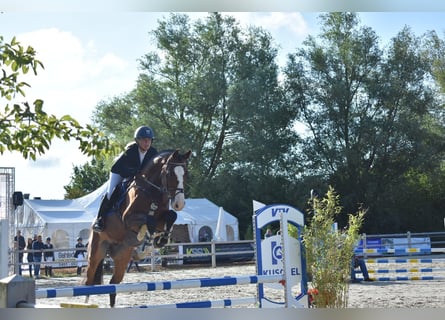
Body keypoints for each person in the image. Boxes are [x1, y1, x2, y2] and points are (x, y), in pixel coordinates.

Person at [93, 125, 158, 232]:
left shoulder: (153, 153)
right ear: (137, 140)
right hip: (120, 173)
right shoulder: (130, 151)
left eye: (149, 140)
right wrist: (134, 172)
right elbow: (119, 168)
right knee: (111, 192)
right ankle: (99, 219)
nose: (147, 143)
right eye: (144, 140)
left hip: (138, 178)